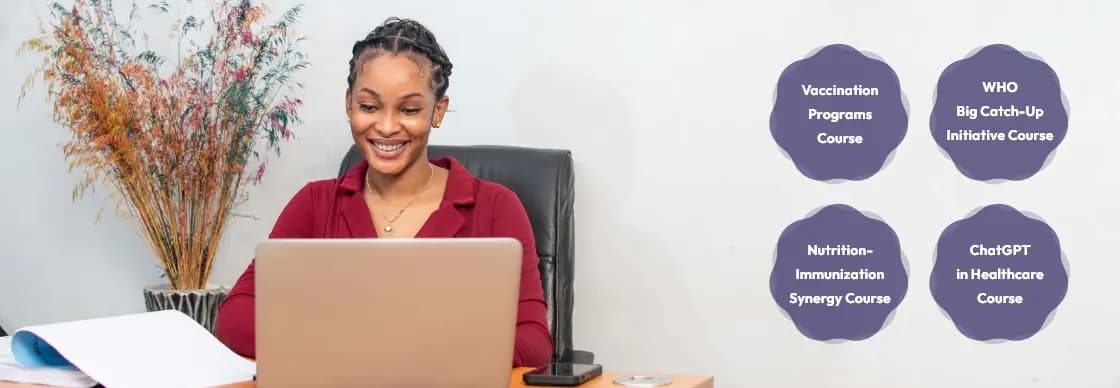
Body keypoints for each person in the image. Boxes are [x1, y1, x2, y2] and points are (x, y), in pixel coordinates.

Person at [213, 17, 553, 368]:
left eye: (409, 109)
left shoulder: (495, 207)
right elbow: (235, 320)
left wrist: (363, 342)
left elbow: (533, 342)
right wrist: (387, 343)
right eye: (369, 107)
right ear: (349, 105)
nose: (387, 127)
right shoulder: (314, 204)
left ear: (438, 110)